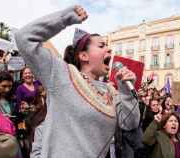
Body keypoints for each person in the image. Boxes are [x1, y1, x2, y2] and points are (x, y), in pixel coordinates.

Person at [15, 5, 140, 158]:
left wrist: (126, 91)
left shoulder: (111, 92)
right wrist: (64, 18)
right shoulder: (63, 74)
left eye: (108, 47)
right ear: (83, 56)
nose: (109, 50)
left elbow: (130, 123)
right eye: (101, 45)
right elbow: (24, 38)